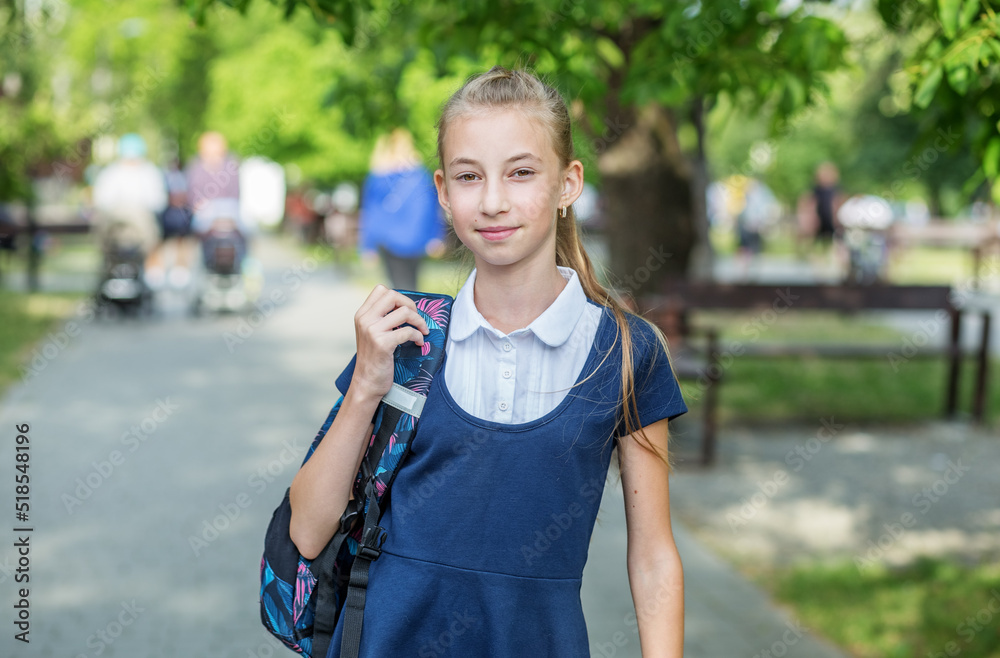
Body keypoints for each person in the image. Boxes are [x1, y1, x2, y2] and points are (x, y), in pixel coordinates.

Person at [288, 66, 688, 656]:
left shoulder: (625, 352)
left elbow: (653, 556)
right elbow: (308, 528)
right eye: (469, 177)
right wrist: (364, 390)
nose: (494, 201)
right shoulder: (407, 338)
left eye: (521, 172)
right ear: (444, 193)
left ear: (568, 184)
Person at [358, 128, 445, 291]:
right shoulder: (420, 175)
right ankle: (411, 314)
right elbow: (432, 209)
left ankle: (407, 315)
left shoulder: (378, 177)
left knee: (401, 288)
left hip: (390, 241)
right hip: (414, 239)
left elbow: (370, 213)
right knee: (411, 287)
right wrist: (435, 236)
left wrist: (367, 246)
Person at [91, 133, 167, 284]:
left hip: (141, 225)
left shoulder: (149, 173)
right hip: (116, 225)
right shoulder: (111, 173)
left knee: (148, 229)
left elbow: (158, 201)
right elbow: (102, 201)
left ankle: (152, 272)